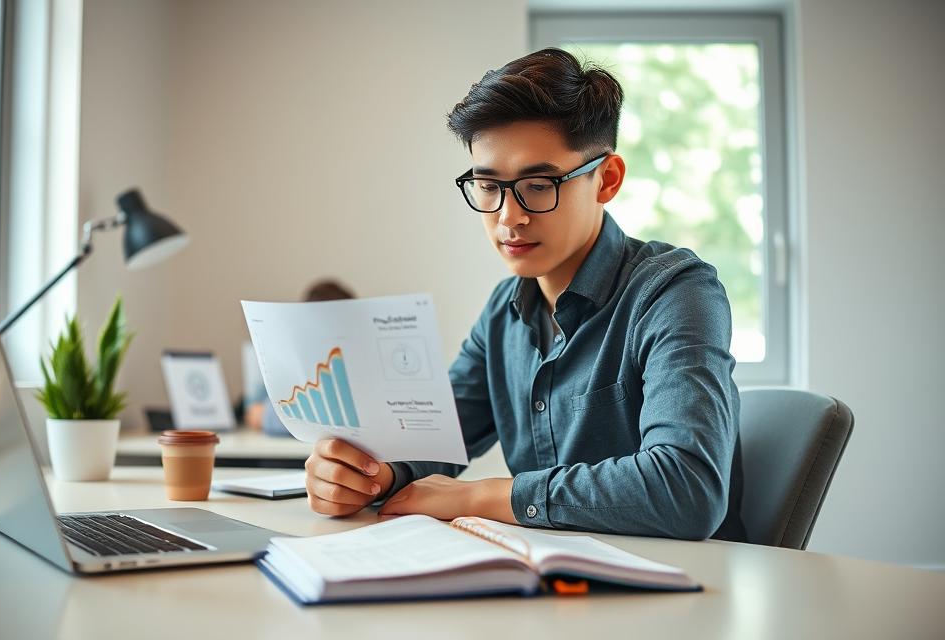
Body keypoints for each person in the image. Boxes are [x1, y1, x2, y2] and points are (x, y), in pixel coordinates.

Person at [304, 48, 745, 541]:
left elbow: (687, 491)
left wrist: (481, 496)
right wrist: (366, 475)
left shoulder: (676, 293)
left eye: (538, 185)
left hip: (683, 592)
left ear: (608, 179)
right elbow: (432, 436)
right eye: (488, 186)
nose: (508, 217)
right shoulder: (504, 312)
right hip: (548, 591)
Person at [243, 279, 355, 436]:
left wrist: (265, 416)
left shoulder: (350, 366)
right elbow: (253, 414)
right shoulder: (291, 360)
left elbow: (258, 415)